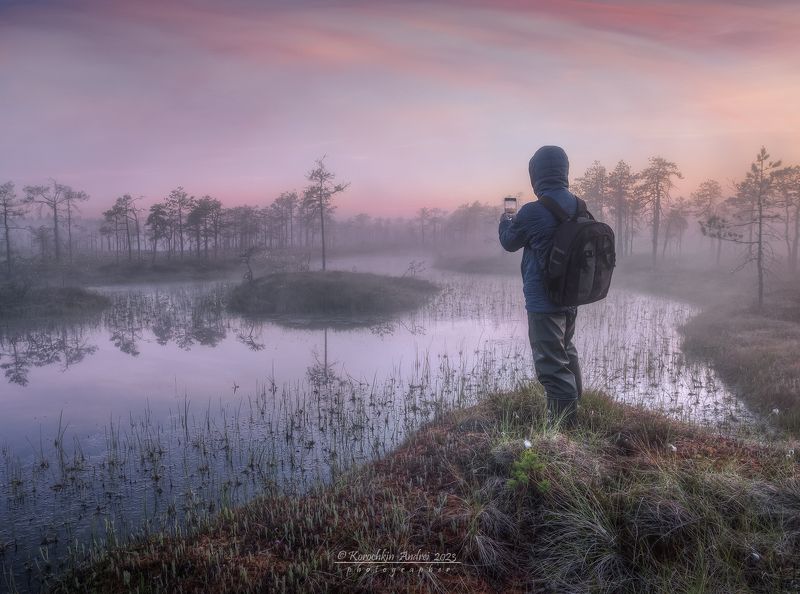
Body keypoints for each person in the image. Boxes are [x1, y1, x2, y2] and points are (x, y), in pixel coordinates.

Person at [498, 145, 583, 428]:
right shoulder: (579, 206)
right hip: (570, 298)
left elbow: (509, 242)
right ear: (564, 172)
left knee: (551, 368)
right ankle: (575, 415)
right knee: (566, 353)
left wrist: (505, 219)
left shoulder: (533, 211)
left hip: (544, 303)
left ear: (536, 176)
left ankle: (563, 436)